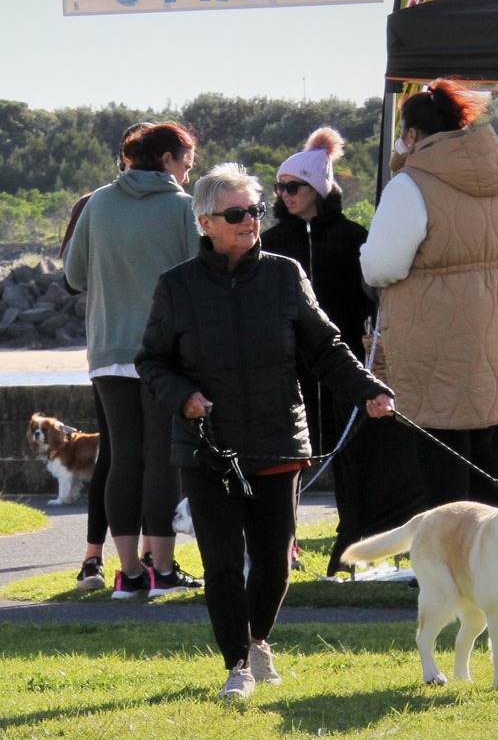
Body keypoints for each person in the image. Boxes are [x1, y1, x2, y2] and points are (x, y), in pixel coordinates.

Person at [141, 163, 395, 698]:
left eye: (254, 211)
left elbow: (326, 348)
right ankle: (237, 665)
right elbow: (153, 363)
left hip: (278, 437)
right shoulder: (176, 287)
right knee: (223, 564)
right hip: (207, 446)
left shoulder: (284, 275)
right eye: (236, 214)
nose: (249, 222)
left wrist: (367, 389)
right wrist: (183, 397)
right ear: (205, 222)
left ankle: (259, 640)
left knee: (275, 562)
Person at [360, 81, 498, 508]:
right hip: (496, 326)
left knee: (440, 459)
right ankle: (497, 564)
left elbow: (381, 267)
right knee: (486, 457)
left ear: (413, 135)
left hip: (435, 333)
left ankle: (448, 567)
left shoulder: (411, 184)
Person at [62, 122, 202, 600]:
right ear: (166, 158)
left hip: (106, 350)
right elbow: (198, 278)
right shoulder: (184, 209)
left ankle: (128, 575)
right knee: (164, 458)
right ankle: (161, 570)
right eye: (187, 159)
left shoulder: (97, 202)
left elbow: (75, 276)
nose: (190, 169)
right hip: (163, 353)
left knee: (122, 458)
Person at [259, 127, 380, 573]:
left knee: (350, 460)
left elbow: (374, 295)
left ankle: (350, 548)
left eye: (295, 186)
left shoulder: (354, 237)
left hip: (343, 360)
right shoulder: (269, 244)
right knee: (288, 460)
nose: (285, 195)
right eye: (280, 187)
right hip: (288, 365)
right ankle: (283, 548)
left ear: (319, 190)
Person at [59, 183, 115, 589]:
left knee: (127, 458)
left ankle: (147, 559)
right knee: (115, 456)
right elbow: (70, 276)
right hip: (111, 349)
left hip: (110, 350)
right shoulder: (92, 204)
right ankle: (94, 557)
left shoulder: (179, 200)